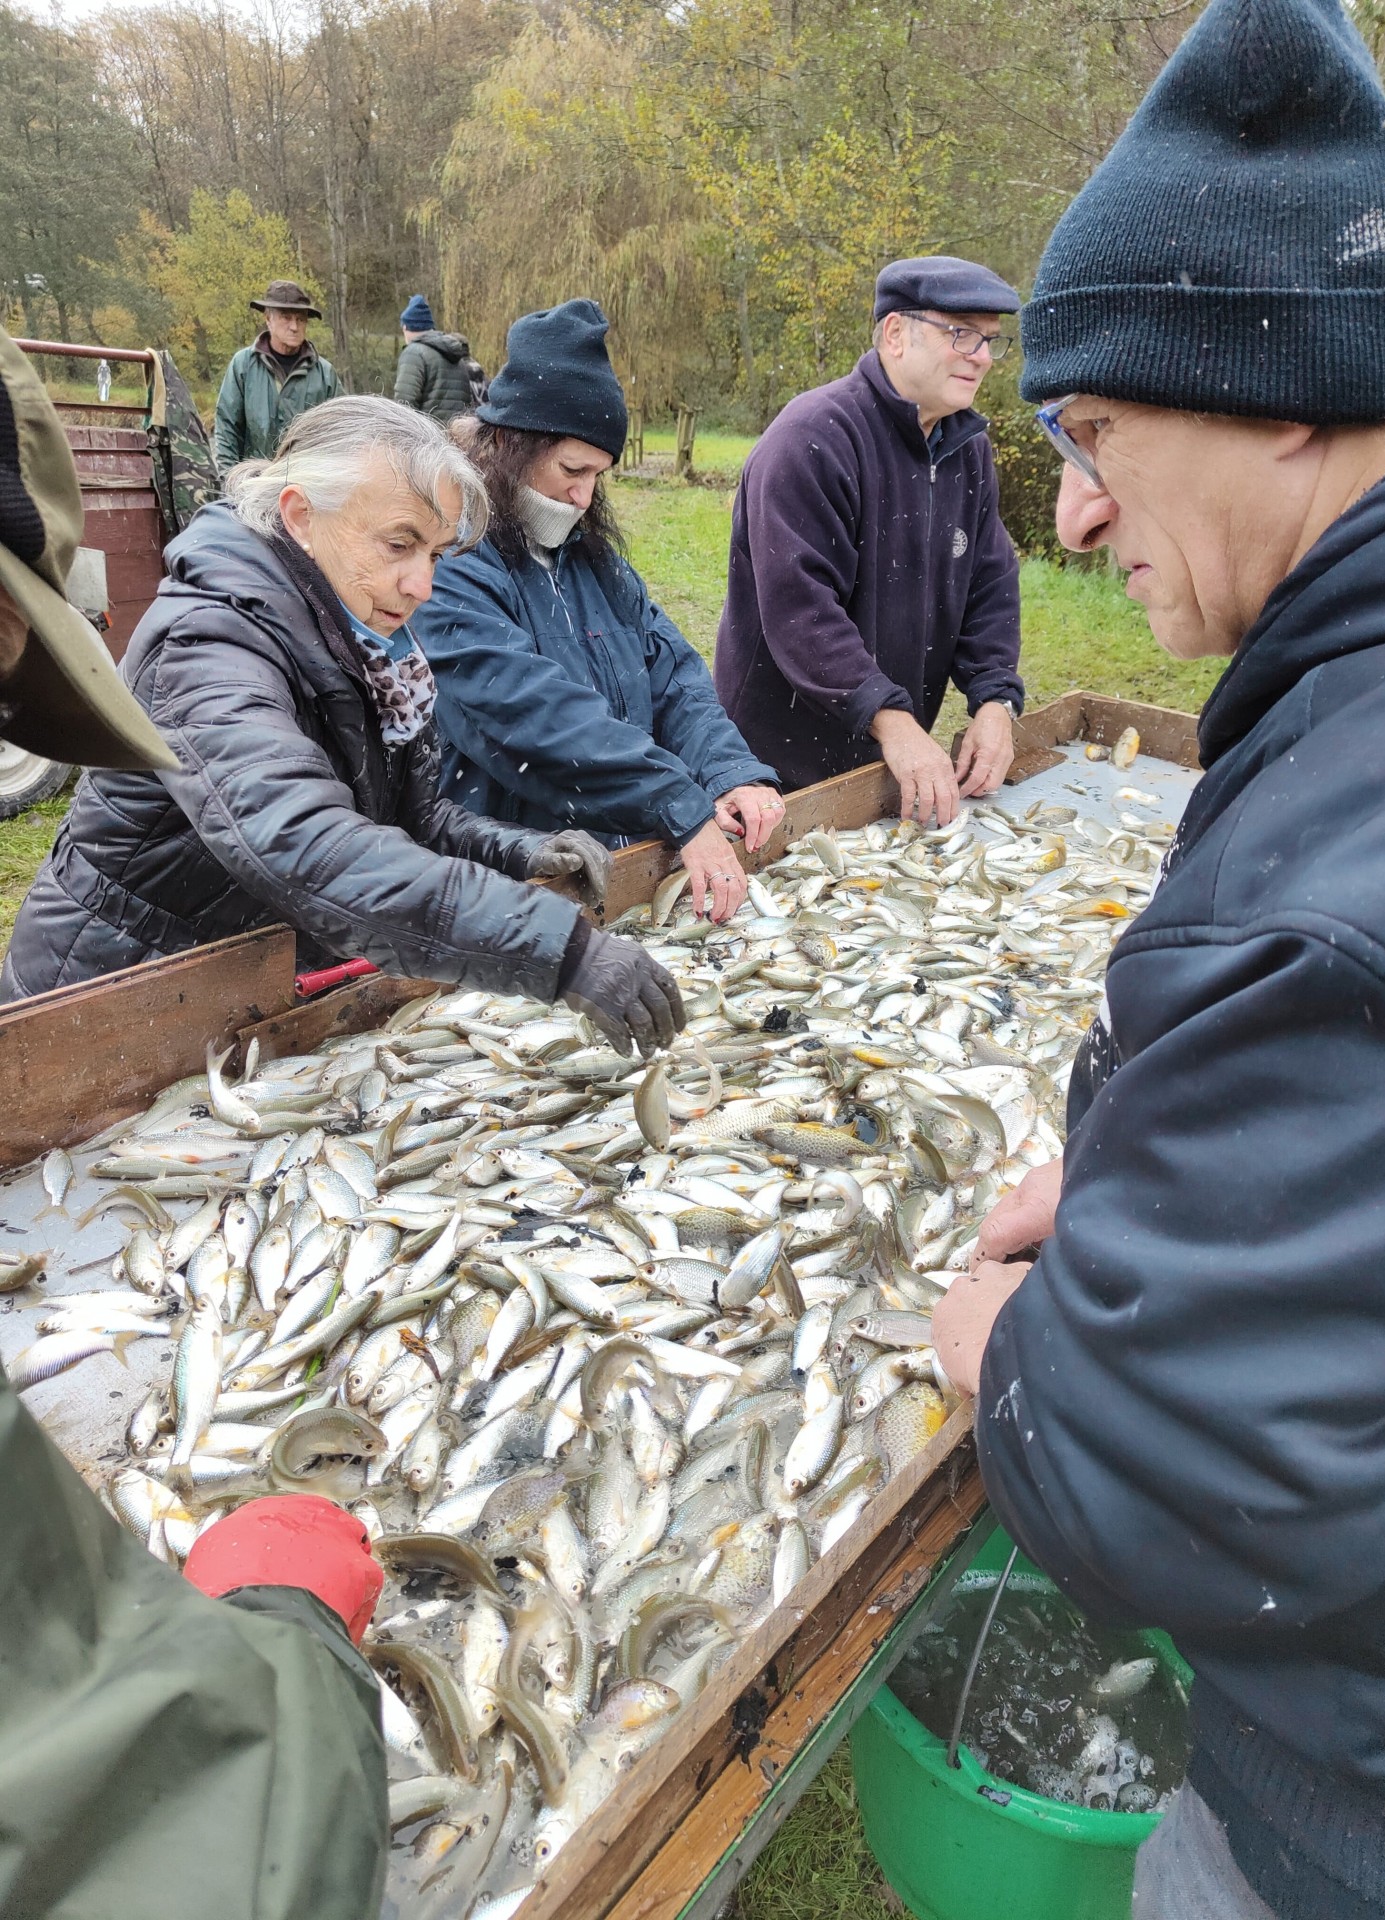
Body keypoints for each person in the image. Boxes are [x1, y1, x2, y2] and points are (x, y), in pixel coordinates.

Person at [928, 2, 1385, 1916]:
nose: (1064, 510)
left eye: (1090, 433)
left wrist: (1014, 1365)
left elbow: (1207, 1500)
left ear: (1278, 386)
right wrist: (1163, 1176)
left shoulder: (1339, 854)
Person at [0, 325, 389, 1920]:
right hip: (135, 982)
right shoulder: (225, 633)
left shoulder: (358, 633)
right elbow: (192, 1852)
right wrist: (289, 1635)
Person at [1, 396, 684, 1059]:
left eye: (436, 554)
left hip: (232, 999)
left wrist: (520, 854)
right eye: (399, 544)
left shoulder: (363, 638)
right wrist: (559, 950)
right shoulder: (206, 645)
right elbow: (308, 845)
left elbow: (408, 820)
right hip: (101, 1010)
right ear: (300, 517)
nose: (422, 584)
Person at [414, 299, 785, 924]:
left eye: (599, 476)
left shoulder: (595, 562)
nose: (583, 496)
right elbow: (532, 717)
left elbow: (674, 678)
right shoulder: (449, 562)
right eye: (571, 469)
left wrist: (727, 771)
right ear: (509, 442)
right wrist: (676, 802)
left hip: (615, 867)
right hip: (508, 883)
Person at [714, 255, 1024, 824]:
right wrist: (892, 720)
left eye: (990, 341)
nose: (981, 357)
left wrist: (995, 698)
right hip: (777, 772)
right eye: (962, 335)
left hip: (884, 761)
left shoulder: (967, 449)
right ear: (895, 333)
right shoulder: (812, 440)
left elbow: (989, 579)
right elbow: (801, 611)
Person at [213, 280, 343, 476]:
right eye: (286, 317)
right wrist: (231, 481)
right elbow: (227, 427)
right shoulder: (244, 365)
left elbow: (340, 433)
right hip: (254, 484)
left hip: (306, 486)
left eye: (300, 319)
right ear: (268, 319)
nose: (294, 326)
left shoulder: (324, 374)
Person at [392, 293, 483, 424]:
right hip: (453, 438)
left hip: (427, 438)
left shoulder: (413, 353)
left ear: (406, 327)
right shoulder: (456, 355)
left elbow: (404, 404)